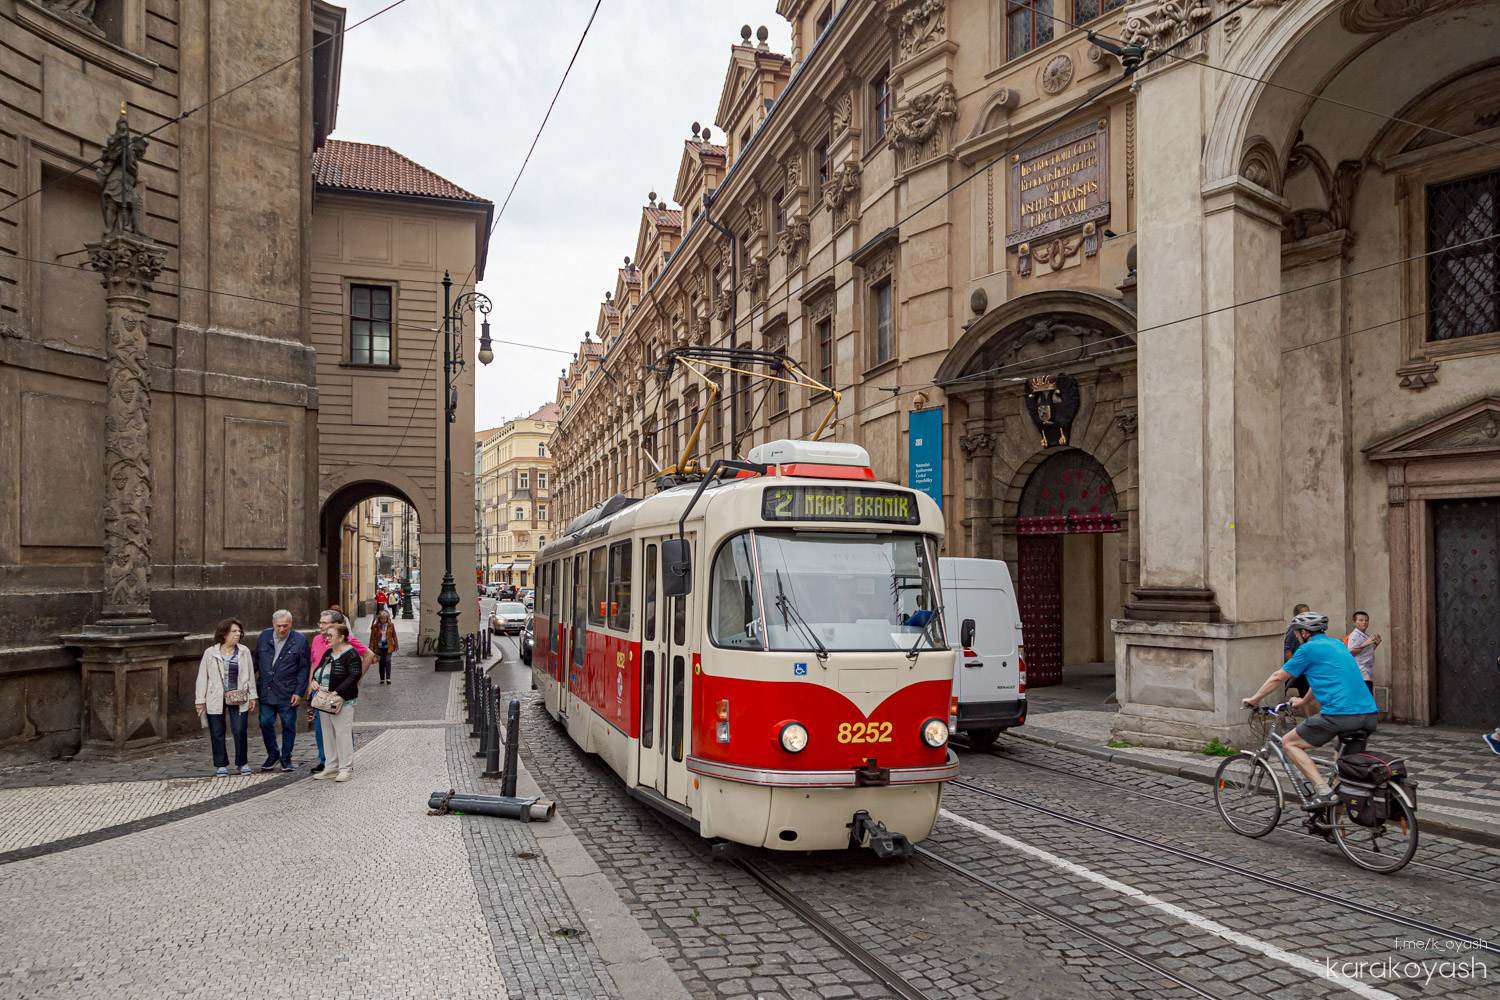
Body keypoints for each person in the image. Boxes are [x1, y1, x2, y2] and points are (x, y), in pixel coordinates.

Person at [1243, 611, 1379, 809]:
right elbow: (1323, 678)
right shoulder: (1337, 644)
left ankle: (1322, 791)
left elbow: (1278, 677)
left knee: (1290, 743)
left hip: (1341, 714)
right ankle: (1335, 828)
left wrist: (1254, 700)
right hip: (1369, 715)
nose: (1296, 636)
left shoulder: (1307, 649)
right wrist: (1303, 701)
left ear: (1304, 632)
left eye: (1297, 632)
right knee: (1342, 774)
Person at [308, 610, 373, 774]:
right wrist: (314, 683)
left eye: (330, 633)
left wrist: (341, 690)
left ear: (340, 634)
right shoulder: (328, 652)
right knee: (326, 733)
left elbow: (355, 673)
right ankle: (330, 765)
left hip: (341, 699)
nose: (326, 636)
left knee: (342, 732)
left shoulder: (350, 652)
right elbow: (317, 669)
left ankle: (345, 766)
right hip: (323, 697)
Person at [195, 619, 258, 776]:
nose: (238, 634)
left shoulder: (243, 652)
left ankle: (242, 762)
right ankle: (220, 764)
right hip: (215, 697)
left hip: (239, 696)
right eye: (234, 631)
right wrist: (200, 701)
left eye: (239, 631)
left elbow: (250, 674)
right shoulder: (210, 653)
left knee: (240, 730)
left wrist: (252, 696)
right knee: (217, 732)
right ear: (224, 634)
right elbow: (203, 677)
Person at [252, 610, 311, 771]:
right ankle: (272, 753)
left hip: (288, 691)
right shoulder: (265, 636)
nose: (282, 629)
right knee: (265, 722)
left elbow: (304, 668)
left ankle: (286, 757)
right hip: (266, 689)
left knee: (288, 724)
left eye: (285, 626)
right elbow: (255, 660)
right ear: (273, 624)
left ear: (291, 624)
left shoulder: (299, 640)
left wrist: (299, 692)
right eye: (279, 626)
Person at [1343, 611, 1380, 696]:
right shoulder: (1355, 635)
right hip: (1360, 674)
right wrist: (1365, 644)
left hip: (1367, 672)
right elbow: (1351, 652)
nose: (1364, 622)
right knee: (1366, 701)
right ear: (1355, 622)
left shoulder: (1365, 636)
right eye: (1361, 620)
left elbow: (1365, 653)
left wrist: (1375, 645)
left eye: (1366, 620)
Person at [370, 608, 399, 684]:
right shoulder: (375, 626)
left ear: (387, 619)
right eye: (381, 618)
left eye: (384, 618)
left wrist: (396, 645)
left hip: (388, 647)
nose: (383, 620)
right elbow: (372, 637)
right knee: (381, 662)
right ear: (379, 619)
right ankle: (382, 678)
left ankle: (388, 678)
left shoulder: (390, 625)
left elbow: (394, 635)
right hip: (379, 647)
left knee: (388, 661)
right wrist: (371, 646)